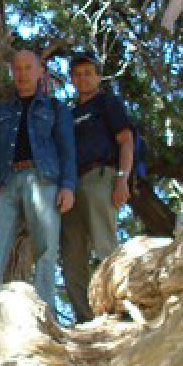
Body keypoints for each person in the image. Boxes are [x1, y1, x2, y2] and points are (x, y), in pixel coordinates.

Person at [0, 49, 76, 307]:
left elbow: (67, 149)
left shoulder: (54, 108)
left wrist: (68, 186)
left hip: (43, 180)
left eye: (28, 67)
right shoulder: (1, 111)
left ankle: (46, 312)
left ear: (41, 71)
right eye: (17, 68)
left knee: (46, 249)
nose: (22, 73)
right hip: (6, 181)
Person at [61, 53, 136, 323]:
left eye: (88, 73)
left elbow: (126, 140)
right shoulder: (68, 114)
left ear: (98, 76)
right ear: (71, 78)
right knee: (72, 253)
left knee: (105, 243)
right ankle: (83, 317)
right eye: (77, 74)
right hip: (71, 184)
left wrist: (122, 178)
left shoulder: (107, 103)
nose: (82, 78)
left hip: (99, 176)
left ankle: (118, 307)